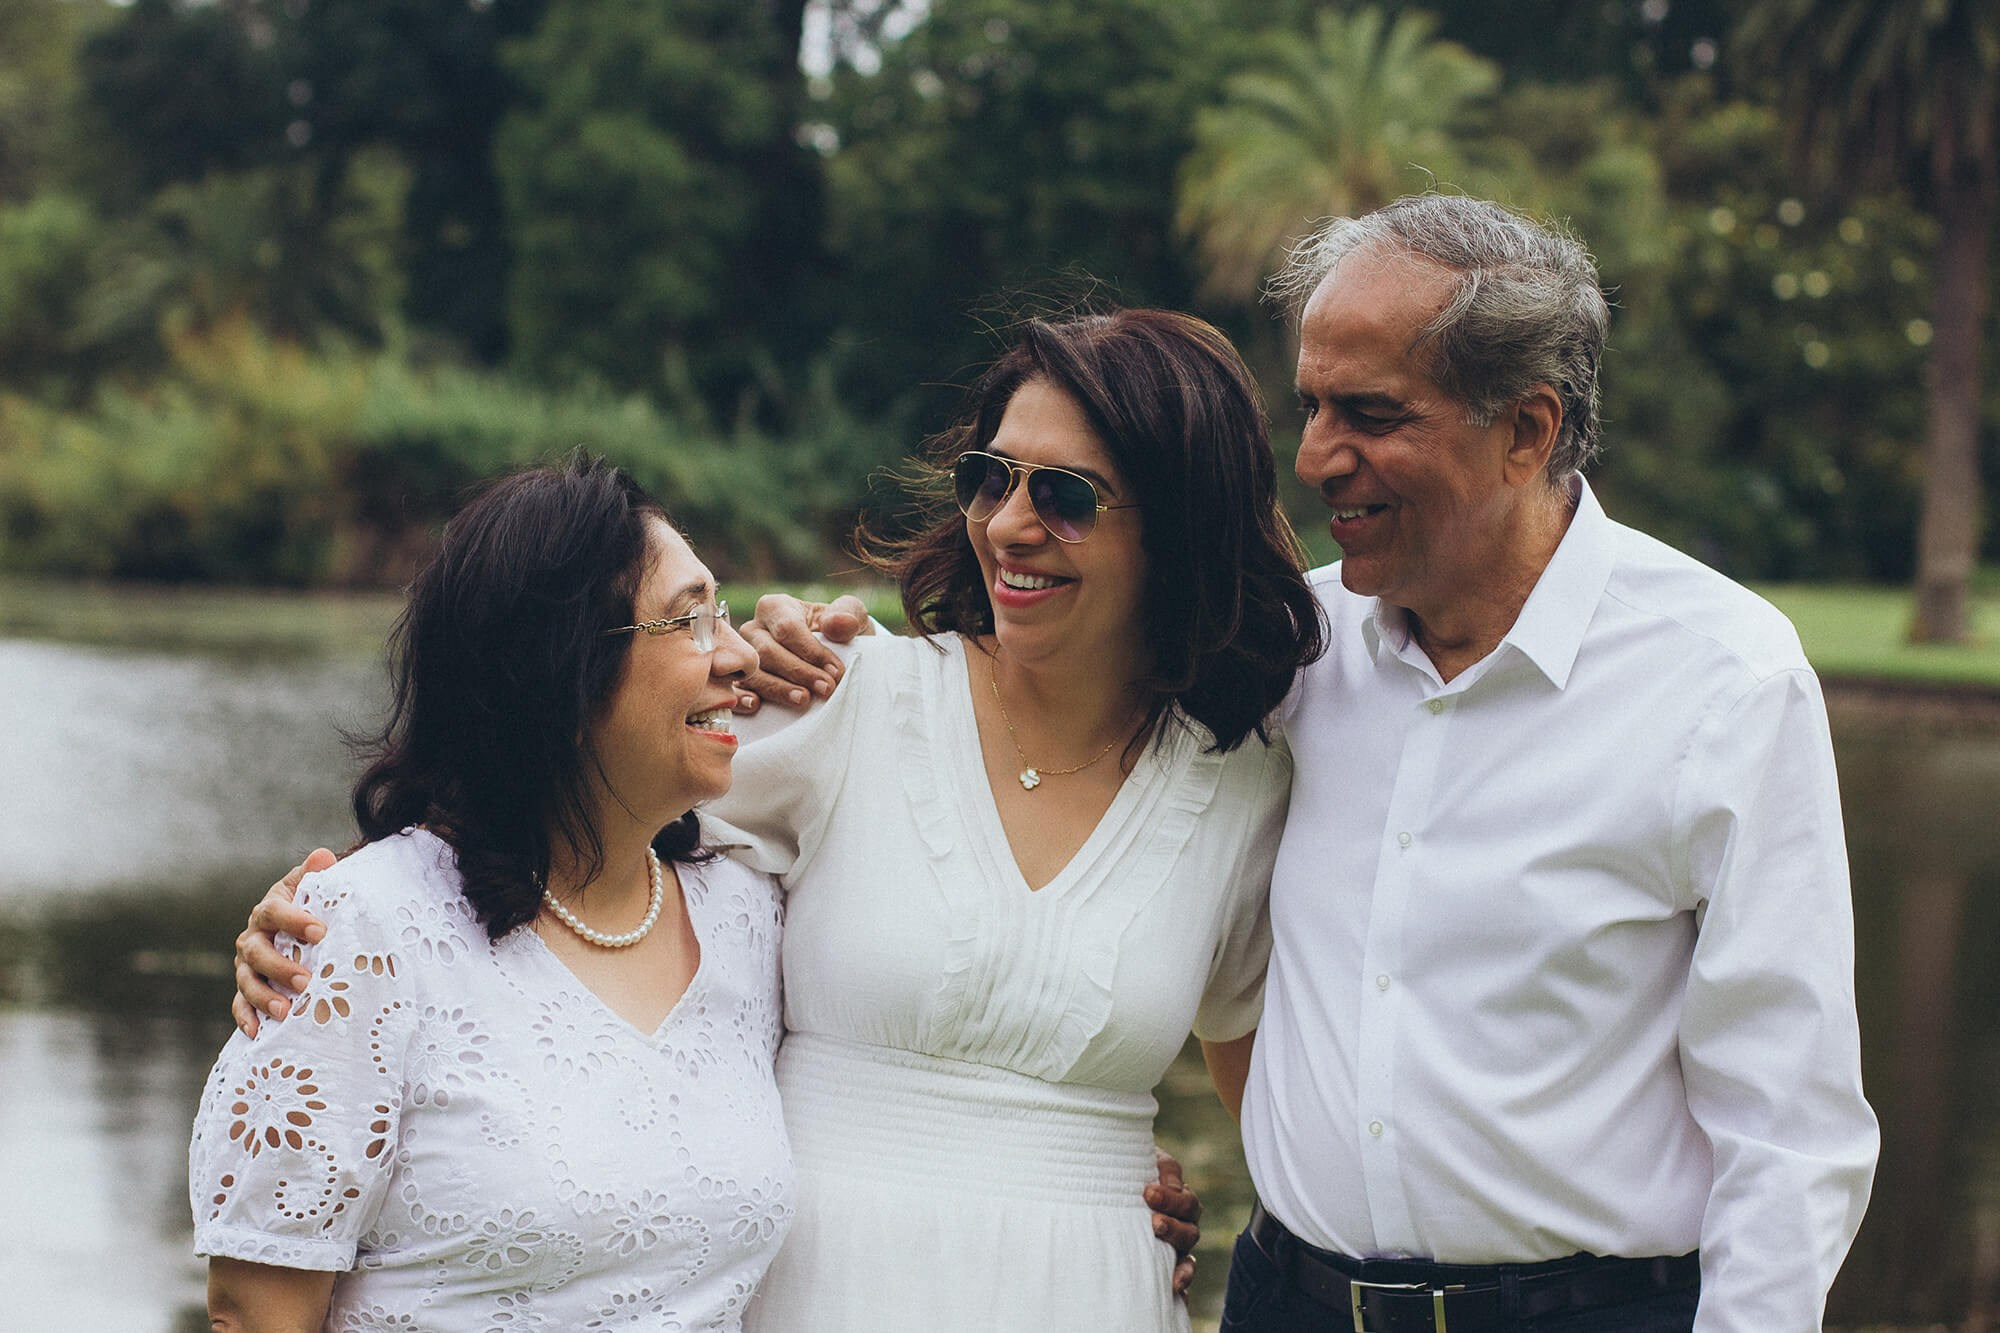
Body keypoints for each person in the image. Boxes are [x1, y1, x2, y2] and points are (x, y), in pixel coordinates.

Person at [745, 196, 1881, 1332]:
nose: (1316, 457)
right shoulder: (1292, 660)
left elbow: (1788, 1131)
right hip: (1289, 1300)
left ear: (1526, 429)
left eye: (1370, 413)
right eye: (1309, 406)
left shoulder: (1721, 681)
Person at [231, 308, 1322, 1330]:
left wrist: (1150, 1195)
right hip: (819, 1286)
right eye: (990, 478)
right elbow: (546, 804)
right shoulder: (842, 694)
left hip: (1090, 1290)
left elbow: (1277, 1122)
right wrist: (333, 925)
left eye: (1068, 495)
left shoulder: (1241, 785)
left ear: (1178, 524)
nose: (1009, 523)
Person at [190, 456, 794, 1330]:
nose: (737, 652)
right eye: (689, 619)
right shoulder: (364, 931)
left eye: (724, 611)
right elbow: (257, 1305)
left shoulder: (749, 913)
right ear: (563, 670)